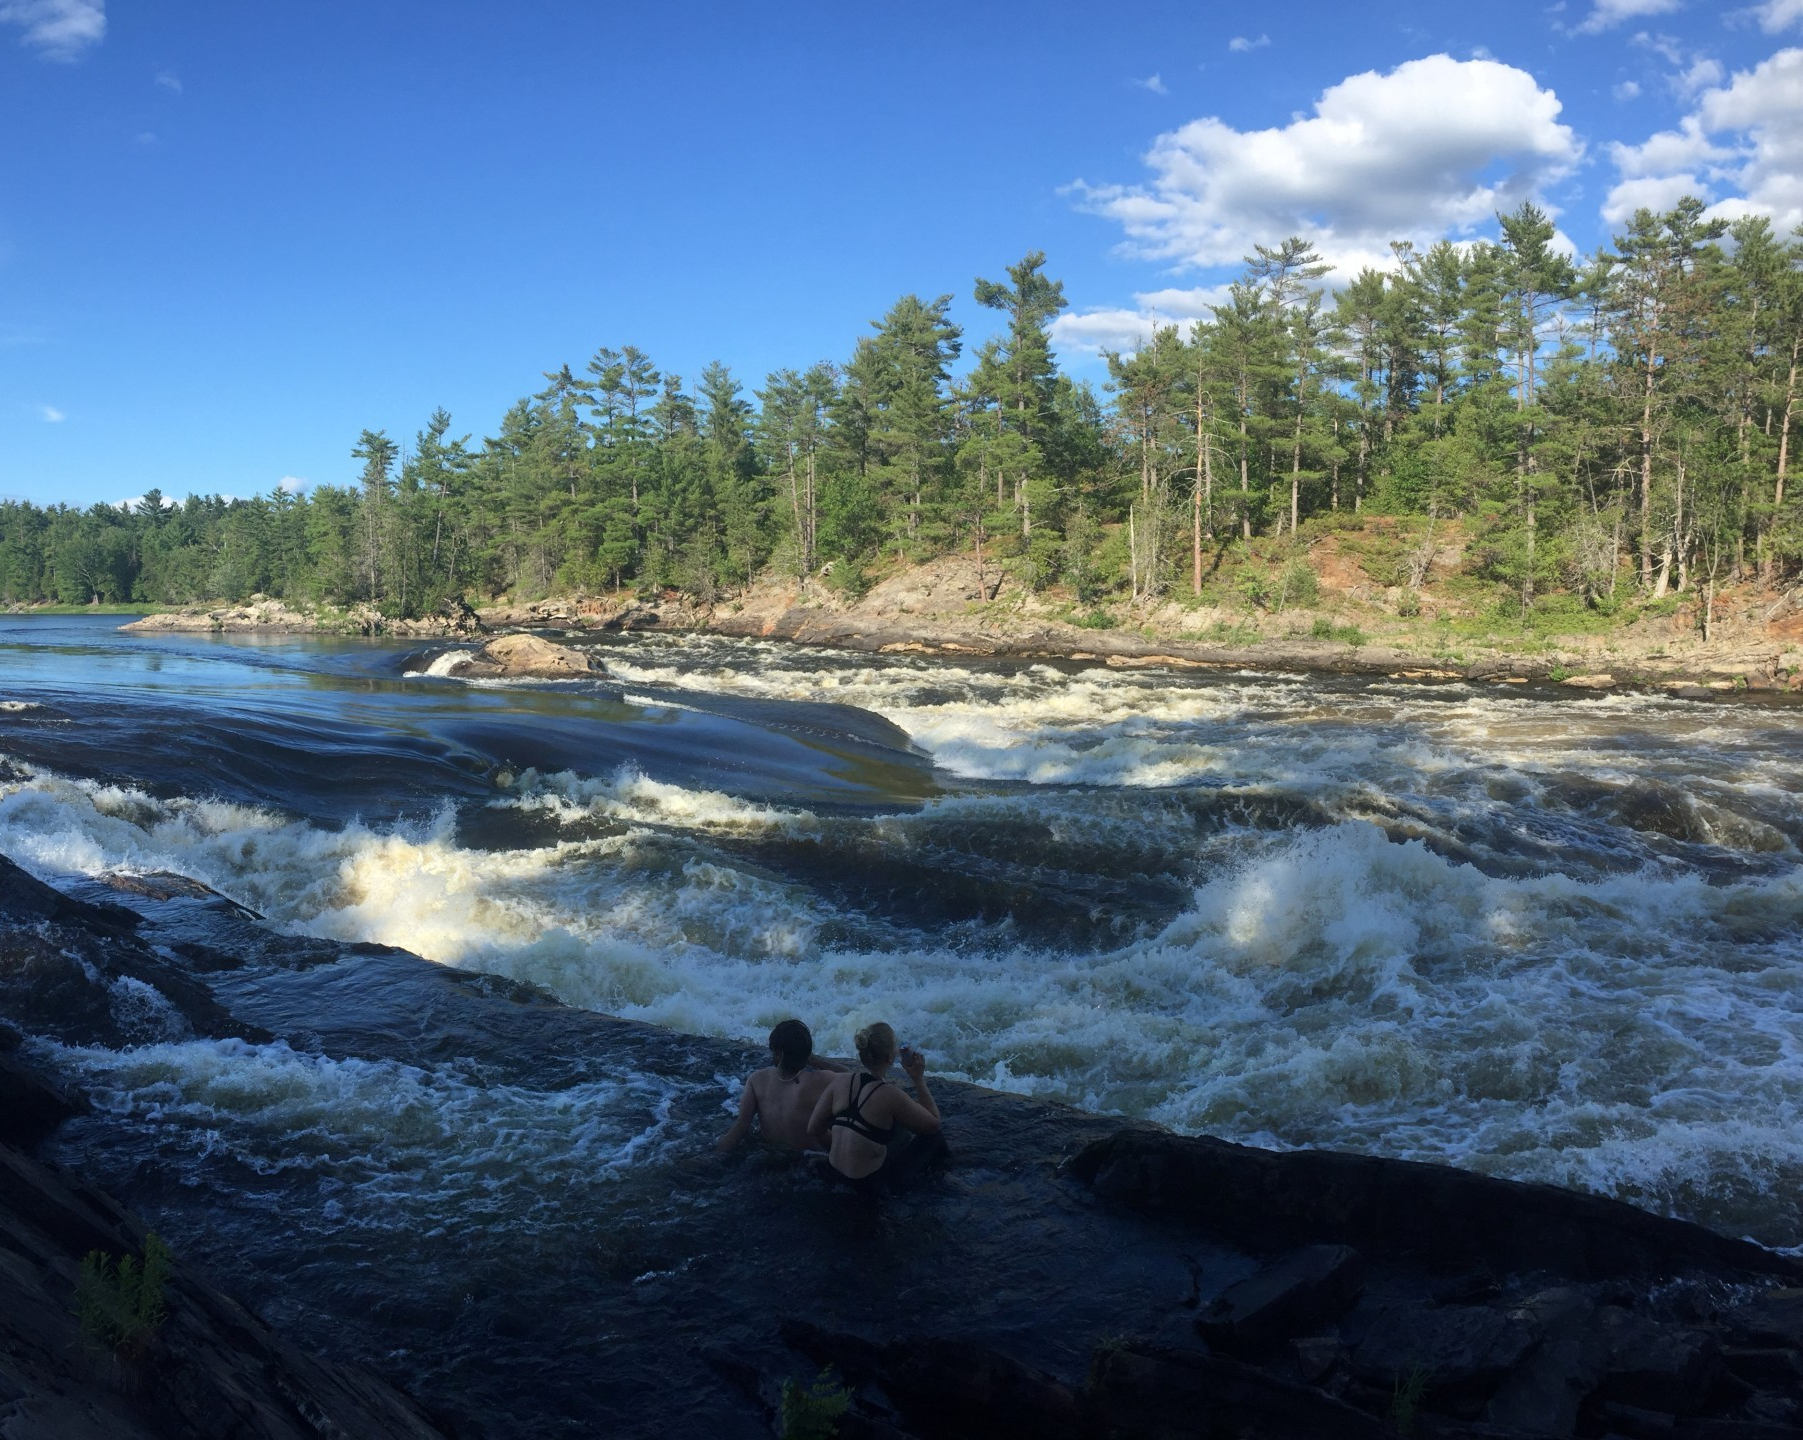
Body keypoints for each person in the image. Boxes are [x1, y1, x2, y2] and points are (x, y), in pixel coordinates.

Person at [806, 1021, 946, 1192]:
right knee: (934, 1137)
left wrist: (843, 1150)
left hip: (834, 1175)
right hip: (868, 1185)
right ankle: (944, 1181)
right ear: (889, 1057)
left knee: (891, 1129)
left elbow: (813, 1128)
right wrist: (918, 1078)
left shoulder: (840, 1081)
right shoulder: (890, 1094)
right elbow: (933, 1123)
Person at [716, 1019, 844, 1153]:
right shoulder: (823, 1080)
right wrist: (816, 1061)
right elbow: (852, 1077)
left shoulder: (757, 1079)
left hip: (770, 1158)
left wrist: (715, 1155)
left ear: (778, 1053)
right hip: (807, 1159)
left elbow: (740, 1127)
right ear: (806, 1053)